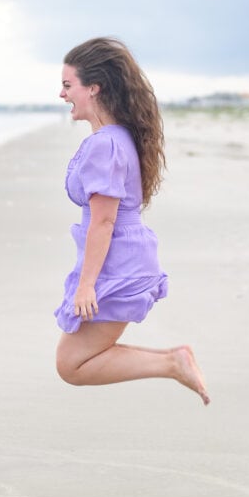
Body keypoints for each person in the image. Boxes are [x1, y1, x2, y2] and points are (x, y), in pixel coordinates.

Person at [53, 37, 210, 405]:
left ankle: (173, 362)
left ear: (94, 87)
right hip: (122, 257)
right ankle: (173, 362)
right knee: (72, 363)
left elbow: (103, 222)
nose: (62, 95)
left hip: (116, 264)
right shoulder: (116, 137)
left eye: (67, 85)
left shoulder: (105, 144)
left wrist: (86, 285)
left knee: (71, 365)